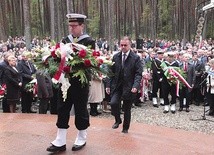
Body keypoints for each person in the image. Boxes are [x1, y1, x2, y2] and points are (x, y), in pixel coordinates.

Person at [46, 13, 95, 153]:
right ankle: (60, 140)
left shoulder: (89, 41)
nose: (71, 29)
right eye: (70, 26)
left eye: (74, 26)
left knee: (80, 109)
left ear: (82, 26)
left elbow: (90, 61)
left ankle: (81, 137)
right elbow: (58, 58)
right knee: (62, 108)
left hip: (80, 82)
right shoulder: (64, 40)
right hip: (65, 81)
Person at [106, 36, 143, 133]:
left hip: (129, 86)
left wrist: (135, 86)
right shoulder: (116, 56)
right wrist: (108, 85)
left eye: (125, 45)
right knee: (113, 103)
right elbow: (111, 72)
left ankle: (125, 128)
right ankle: (118, 119)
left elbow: (138, 74)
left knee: (127, 109)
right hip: (117, 85)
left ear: (130, 45)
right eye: (121, 45)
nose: (123, 47)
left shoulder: (136, 58)